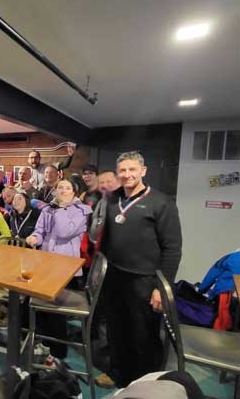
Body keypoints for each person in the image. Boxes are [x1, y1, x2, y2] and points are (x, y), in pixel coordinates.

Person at [95, 151, 182, 389]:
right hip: (113, 276)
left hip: (145, 280)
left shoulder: (161, 202)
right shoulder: (111, 200)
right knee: (115, 330)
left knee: (144, 335)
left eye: (132, 169)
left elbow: (172, 249)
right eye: (122, 170)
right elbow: (102, 237)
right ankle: (117, 373)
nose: (127, 174)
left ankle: (145, 384)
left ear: (143, 171)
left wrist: (161, 288)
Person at [26, 178, 92, 364]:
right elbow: (40, 231)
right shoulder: (49, 208)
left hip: (65, 267)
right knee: (43, 308)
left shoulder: (81, 211)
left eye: (67, 188)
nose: (62, 190)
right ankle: (47, 343)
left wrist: (61, 208)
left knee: (55, 312)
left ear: (74, 192)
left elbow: (64, 232)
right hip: (46, 263)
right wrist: (34, 238)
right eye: (60, 187)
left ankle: (58, 353)